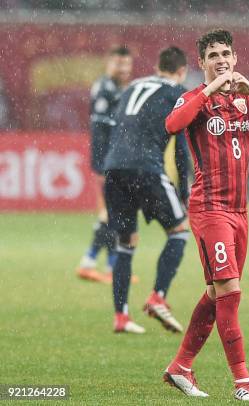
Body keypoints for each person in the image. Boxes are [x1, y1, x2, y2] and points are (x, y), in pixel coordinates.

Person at [162, 29, 249, 401]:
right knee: (230, 292)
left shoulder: (242, 102)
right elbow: (172, 125)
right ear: (201, 63)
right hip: (210, 210)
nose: (221, 60)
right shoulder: (194, 99)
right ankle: (242, 381)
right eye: (213, 55)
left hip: (239, 212)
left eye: (226, 54)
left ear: (235, 59)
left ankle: (180, 367)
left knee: (215, 293)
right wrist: (209, 89)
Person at [104, 46, 191, 334]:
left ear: (156, 66)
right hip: (147, 168)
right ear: (182, 71)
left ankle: (121, 317)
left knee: (125, 243)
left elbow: (117, 126)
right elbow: (181, 149)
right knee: (179, 232)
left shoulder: (133, 86)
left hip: (114, 168)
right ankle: (158, 297)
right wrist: (184, 192)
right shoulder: (178, 93)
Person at [76, 46, 133, 283]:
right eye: (118, 64)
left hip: (114, 159)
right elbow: (100, 127)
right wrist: (105, 163)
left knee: (111, 213)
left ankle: (111, 267)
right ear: (109, 64)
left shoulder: (120, 89)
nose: (123, 69)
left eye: (126, 65)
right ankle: (88, 262)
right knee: (109, 212)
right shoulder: (105, 88)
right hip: (106, 160)